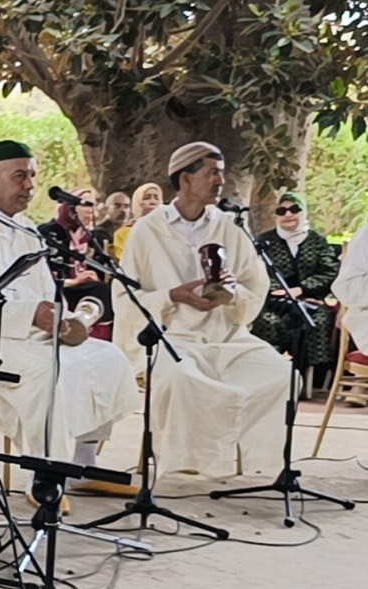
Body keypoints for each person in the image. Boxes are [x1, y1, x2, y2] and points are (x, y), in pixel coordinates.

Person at [0, 140, 140, 503]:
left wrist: (64, 320)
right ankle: (43, 474)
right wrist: (31, 316)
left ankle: (82, 466)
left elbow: (44, 292)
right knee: (46, 370)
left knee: (106, 357)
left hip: (26, 333)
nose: (29, 185)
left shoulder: (24, 229)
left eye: (33, 176)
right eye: (19, 176)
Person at [114, 141, 290, 477]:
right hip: (173, 338)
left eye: (221, 174)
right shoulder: (147, 231)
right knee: (181, 377)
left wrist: (231, 294)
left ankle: (242, 460)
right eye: (212, 173)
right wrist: (172, 296)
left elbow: (255, 284)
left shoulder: (229, 226)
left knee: (279, 374)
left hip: (226, 336)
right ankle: (188, 461)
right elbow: (125, 297)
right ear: (185, 179)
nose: (220, 181)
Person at [251, 191, 339, 378]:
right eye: (282, 211)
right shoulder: (263, 241)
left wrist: (303, 289)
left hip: (311, 302)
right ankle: (271, 374)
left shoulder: (318, 241)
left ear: (303, 212)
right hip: (274, 302)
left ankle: (311, 377)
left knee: (317, 322)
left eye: (294, 209)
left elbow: (330, 271)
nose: (288, 214)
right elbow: (255, 271)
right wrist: (278, 290)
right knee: (266, 321)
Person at [37, 189, 114, 341]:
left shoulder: (94, 237)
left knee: (111, 289)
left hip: (87, 288)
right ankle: (86, 336)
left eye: (94, 205)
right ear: (70, 208)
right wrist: (76, 281)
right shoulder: (49, 232)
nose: (91, 209)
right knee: (102, 290)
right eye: (86, 204)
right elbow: (43, 273)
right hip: (59, 289)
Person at [113, 182, 162, 256]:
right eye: (147, 198)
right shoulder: (123, 233)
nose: (153, 202)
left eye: (156, 198)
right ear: (137, 202)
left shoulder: (169, 230)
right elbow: (125, 260)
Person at [92, 191, 131, 258]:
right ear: (106, 209)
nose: (123, 210)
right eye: (117, 206)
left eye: (126, 206)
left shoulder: (131, 231)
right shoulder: (98, 233)